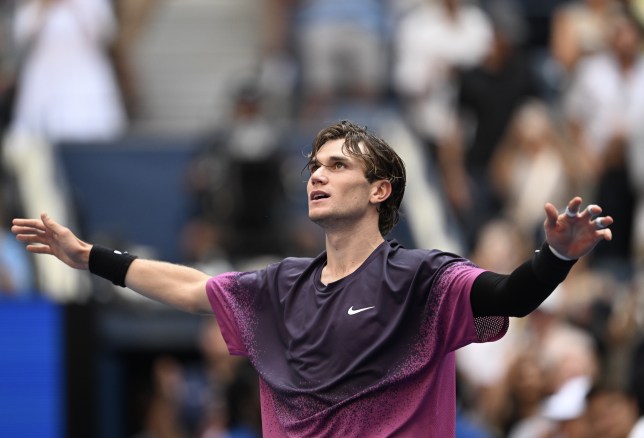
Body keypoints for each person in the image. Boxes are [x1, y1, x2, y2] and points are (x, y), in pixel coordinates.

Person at [11, 120, 613, 436]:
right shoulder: (278, 287)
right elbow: (191, 288)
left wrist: (555, 256)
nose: (316, 176)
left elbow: (513, 295)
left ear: (380, 190)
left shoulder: (423, 280)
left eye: (337, 165)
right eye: (313, 166)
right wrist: (89, 256)